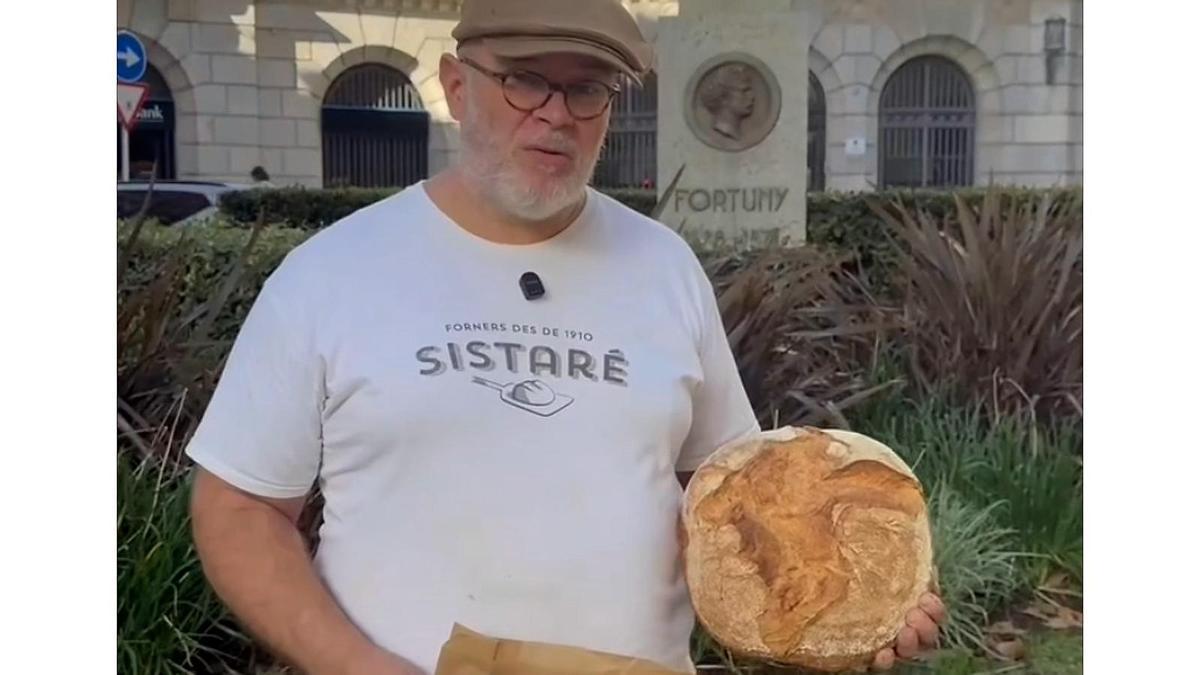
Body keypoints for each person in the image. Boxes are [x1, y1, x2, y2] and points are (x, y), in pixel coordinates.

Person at [185, 2, 945, 674]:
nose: (556, 113)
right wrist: (355, 666)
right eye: (523, 78)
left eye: (587, 88)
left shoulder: (664, 266)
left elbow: (735, 495)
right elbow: (239, 507)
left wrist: (859, 593)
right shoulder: (333, 271)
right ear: (455, 85)